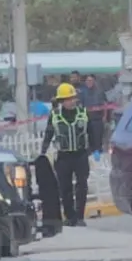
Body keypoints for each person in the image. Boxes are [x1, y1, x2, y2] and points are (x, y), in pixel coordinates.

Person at [40, 82, 91, 227]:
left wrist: (94, 149)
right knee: (65, 188)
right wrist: (43, 151)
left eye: (73, 98)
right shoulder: (55, 116)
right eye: (68, 99)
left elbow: (92, 131)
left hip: (80, 155)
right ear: (62, 101)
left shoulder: (83, 113)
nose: (72, 101)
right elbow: (49, 134)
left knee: (82, 186)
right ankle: (70, 217)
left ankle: (80, 216)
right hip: (63, 157)